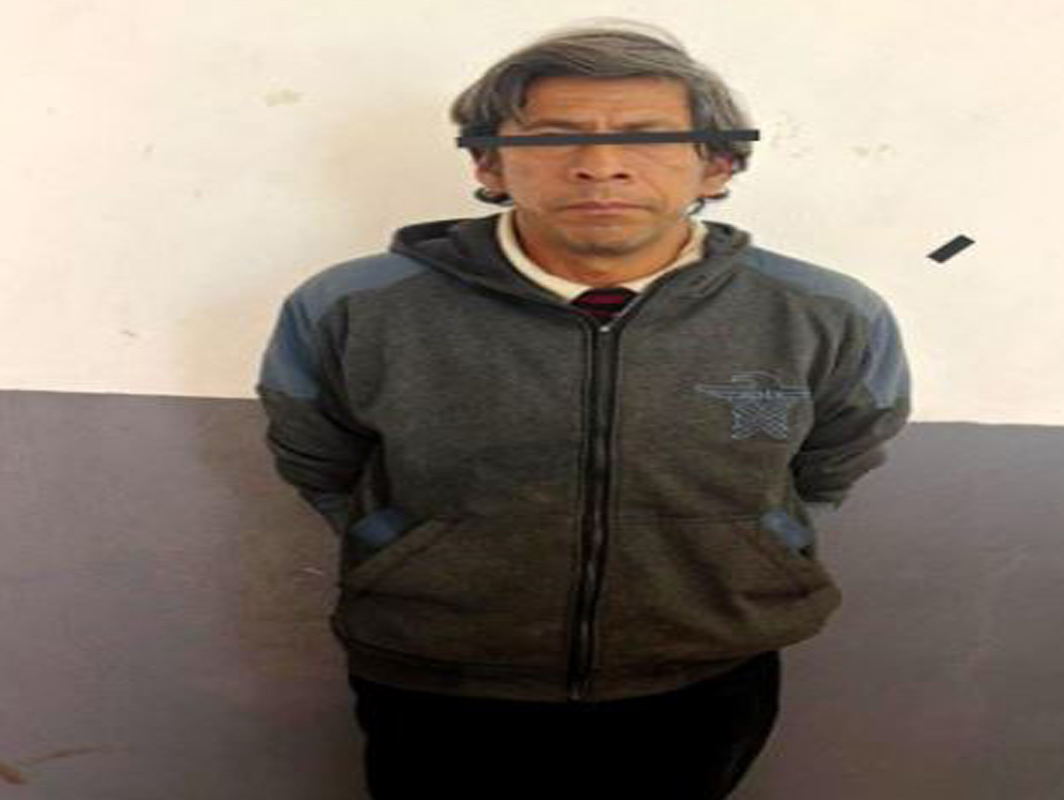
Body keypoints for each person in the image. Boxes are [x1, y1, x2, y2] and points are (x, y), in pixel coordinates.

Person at [255, 20, 911, 800]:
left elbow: (837, 455)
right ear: (488, 163)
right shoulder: (355, 308)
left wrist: (757, 540)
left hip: (703, 675)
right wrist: (407, 545)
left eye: (647, 138)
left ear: (717, 165)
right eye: (553, 138)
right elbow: (320, 459)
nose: (600, 166)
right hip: (435, 677)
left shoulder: (823, 314)